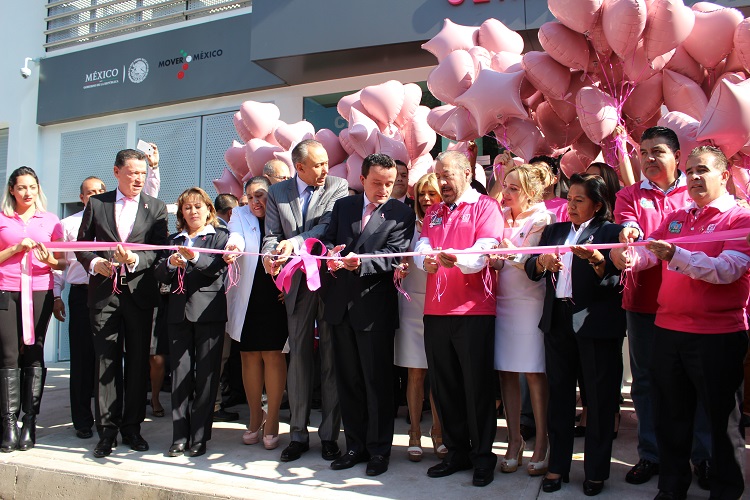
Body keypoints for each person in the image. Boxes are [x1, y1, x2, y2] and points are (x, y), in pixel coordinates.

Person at [612, 146, 750, 500]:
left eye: (703, 170)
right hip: (668, 331)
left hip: (717, 334)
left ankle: (726, 490)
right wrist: (626, 253)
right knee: (671, 417)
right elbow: (649, 252)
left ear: (724, 175)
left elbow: (728, 269)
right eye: (690, 171)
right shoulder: (677, 218)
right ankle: (672, 488)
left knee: (722, 422)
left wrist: (676, 255)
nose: (695, 177)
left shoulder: (739, 218)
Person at [612, 126, 711, 488]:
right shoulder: (628, 195)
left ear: (677, 156)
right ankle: (651, 454)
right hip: (643, 302)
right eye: (643, 152)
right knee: (647, 381)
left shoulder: (696, 190)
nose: (649, 158)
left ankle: (703, 457)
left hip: (692, 301)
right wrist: (628, 239)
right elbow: (630, 229)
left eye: (658, 152)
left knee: (697, 381)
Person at [525, 173, 625, 496]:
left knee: (598, 399)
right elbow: (530, 268)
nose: (571, 206)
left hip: (594, 322)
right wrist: (542, 262)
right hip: (558, 320)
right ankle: (558, 465)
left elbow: (615, 278)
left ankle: (595, 471)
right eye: (569, 199)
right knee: (560, 396)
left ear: (597, 204)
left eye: (579, 200)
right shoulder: (554, 231)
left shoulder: (610, 232)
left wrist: (596, 260)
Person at [413, 150, 503, 487]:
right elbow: (421, 245)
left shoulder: (485, 207)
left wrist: (456, 259)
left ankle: (482, 456)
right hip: (435, 311)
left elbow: (485, 251)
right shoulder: (434, 211)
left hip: (473, 310)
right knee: (444, 386)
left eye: (448, 175)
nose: (442, 182)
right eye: (439, 176)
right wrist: (425, 260)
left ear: (467, 173)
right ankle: (456, 452)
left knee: (476, 387)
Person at [322, 153, 415, 476]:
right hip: (340, 306)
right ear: (362, 180)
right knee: (348, 381)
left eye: (390, 183)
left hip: (374, 309)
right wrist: (330, 254)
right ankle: (355, 446)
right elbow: (327, 240)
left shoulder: (401, 213)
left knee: (378, 383)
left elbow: (394, 255)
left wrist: (359, 263)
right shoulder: (343, 206)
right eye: (377, 183)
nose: (384, 190)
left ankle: (379, 451)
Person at [75, 149, 168, 458]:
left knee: (139, 362)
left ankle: (132, 428)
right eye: (132, 173)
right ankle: (107, 431)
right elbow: (81, 244)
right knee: (106, 361)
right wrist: (95, 263)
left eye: (142, 173)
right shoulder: (97, 204)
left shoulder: (155, 207)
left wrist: (135, 260)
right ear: (117, 172)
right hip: (104, 294)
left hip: (139, 294)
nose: (138, 178)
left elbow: (159, 250)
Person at [261, 139, 348, 463]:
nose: (325, 169)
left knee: (330, 357)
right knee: (298, 356)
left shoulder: (338, 186)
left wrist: (294, 242)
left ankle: (329, 436)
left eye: (326, 162)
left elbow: (327, 227)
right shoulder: (277, 193)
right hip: (295, 285)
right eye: (319, 164)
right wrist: (270, 256)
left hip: (328, 282)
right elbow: (271, 235)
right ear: (299, 167)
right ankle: (297, 434)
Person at [488, 164, 554, 476]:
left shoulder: (542, 217)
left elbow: (531, 260)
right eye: (505, 185)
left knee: (534, 372)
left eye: (513, 188)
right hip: (501, 300)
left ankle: (541, 441)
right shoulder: (499, 215)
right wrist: (495, 261)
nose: (506, 192)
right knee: (506, 372)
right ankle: (514, 440)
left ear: (530, 192)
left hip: (530, 300)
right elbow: (502, 260)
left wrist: (508, 252)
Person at [154, 187, 228, 458]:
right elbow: (158, 272)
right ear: (181, 214)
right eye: (187, 208)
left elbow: (216, 268)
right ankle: (179, 436)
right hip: (177, 314)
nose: (193, 211)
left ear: (208, 209)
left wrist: (192, 256)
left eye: (198, 206)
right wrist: (171, 263)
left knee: (206, 377)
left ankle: (199, 436)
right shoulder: (173, 239)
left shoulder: (220, 236)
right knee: (179, 377)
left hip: (209, 313)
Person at [0, 167, 65, 453]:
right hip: (6, 289)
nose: (28, 193)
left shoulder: (51, 220)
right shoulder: (2, 219)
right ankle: (8, 423)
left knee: (34, 352)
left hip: (40, 290)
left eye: (32, 187)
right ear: (11, 190)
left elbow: (63, 262)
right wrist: (14, 250)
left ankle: (29, 422)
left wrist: (50, 259)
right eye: (22, 187)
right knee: (8, 355)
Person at [224, 177, 288, 451]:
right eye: (250, 197)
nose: (255, 202)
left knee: (273, 355)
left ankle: (272, 420)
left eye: (260, 195)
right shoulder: (239, 215)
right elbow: (236, 236)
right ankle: (254, 416)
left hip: (277, 295)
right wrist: (233, 247)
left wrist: (288, 282)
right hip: (248, 295)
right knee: (249, 355)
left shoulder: (283, 211)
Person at [394, 172, 447, 462]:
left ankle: (438, 432)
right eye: (422, 194)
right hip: (411, 303)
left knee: (438, 372)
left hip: (441, 303)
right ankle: (414, 432)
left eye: (432, 193)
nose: (426, 199)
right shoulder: (406, 222)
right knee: (415, 373)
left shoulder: (448, 221)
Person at [53, 176, 107, 439]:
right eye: (89, 192)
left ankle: (106, 419)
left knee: (105, 358)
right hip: (81, 294)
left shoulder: (111, 220)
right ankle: (82, 420)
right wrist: (56, 296)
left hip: (108, 293)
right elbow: (59, 265)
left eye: (99, 191)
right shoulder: (67, 225)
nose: (94, 195)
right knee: (82, 359)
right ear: (82, 197)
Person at [211, 192, 241, 423]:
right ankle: (214, 405)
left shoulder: (210, 230)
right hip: (221, 301)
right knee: (218, 356)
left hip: (216, 302)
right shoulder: (224, 234)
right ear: (232, 212)